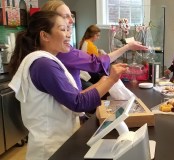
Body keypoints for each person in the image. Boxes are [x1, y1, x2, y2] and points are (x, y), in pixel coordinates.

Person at [8, 11, 127, 160]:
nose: (69, 34)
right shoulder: (44, 65)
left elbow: (75, 96)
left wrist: (104, 82)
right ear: (44, 35)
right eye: (63, 29)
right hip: (50, 149)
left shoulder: (48, 61)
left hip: (59, 141)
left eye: (68, 29)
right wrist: (111, 80)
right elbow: (78, 103)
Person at [41, 0, 147, 91]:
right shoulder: (63, 52)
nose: (71, 21)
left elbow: (77, 99)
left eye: (71, 16)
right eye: (65, 17)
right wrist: (127, 47)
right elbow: (96, 63)